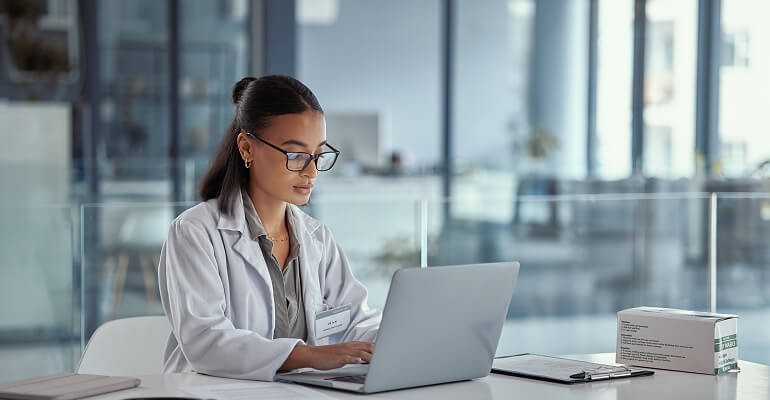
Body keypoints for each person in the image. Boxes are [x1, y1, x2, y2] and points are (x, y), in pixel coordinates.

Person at [158, 75, 381, 381]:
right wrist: (310, 356)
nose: (312, 171)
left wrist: (394, 340)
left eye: (318, 154)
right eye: (296, 155)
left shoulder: (317, 239)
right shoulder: (195, 232)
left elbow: (355, 319)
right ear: (247, 148)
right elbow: (206, 341)